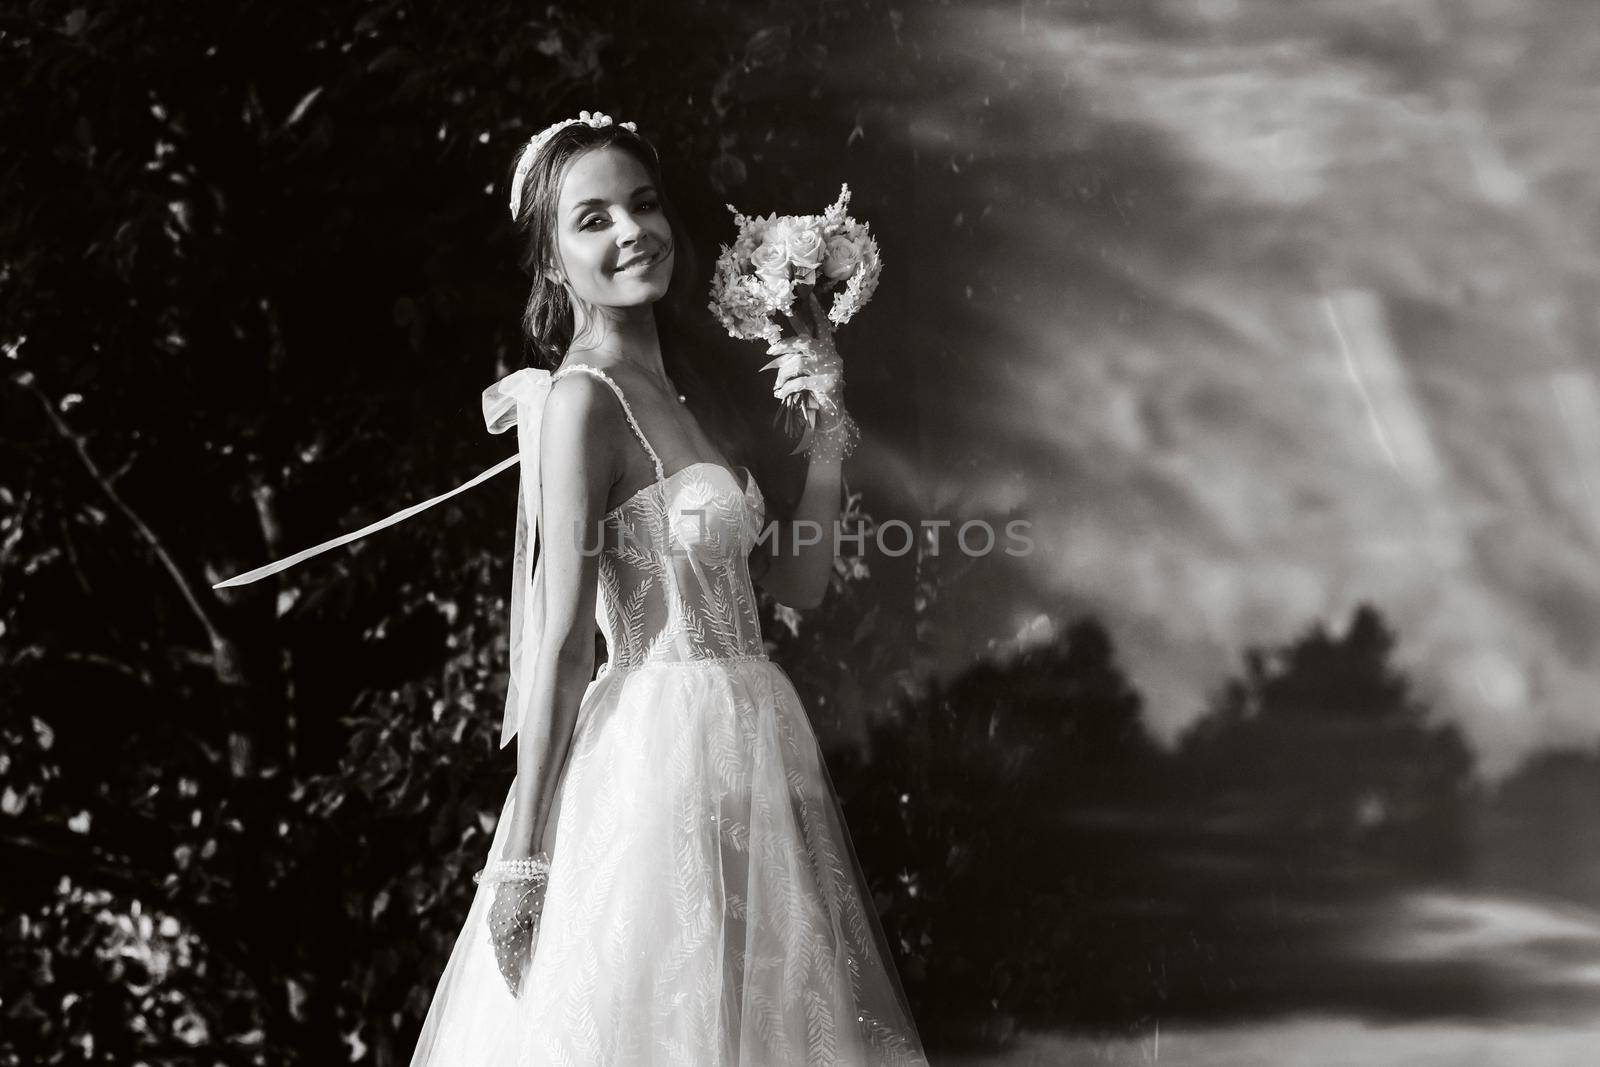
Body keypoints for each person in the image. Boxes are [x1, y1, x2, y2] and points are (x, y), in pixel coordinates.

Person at [403, 112, 930, 1065]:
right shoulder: (582, 401)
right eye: (592, 218)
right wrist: (522, 852)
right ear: (554, 263)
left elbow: (799, 585)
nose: (630, 231)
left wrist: (826, 426)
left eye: (642, 205)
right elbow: (564, 642)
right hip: (655, 755)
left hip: (752, 743)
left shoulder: (686, 397)